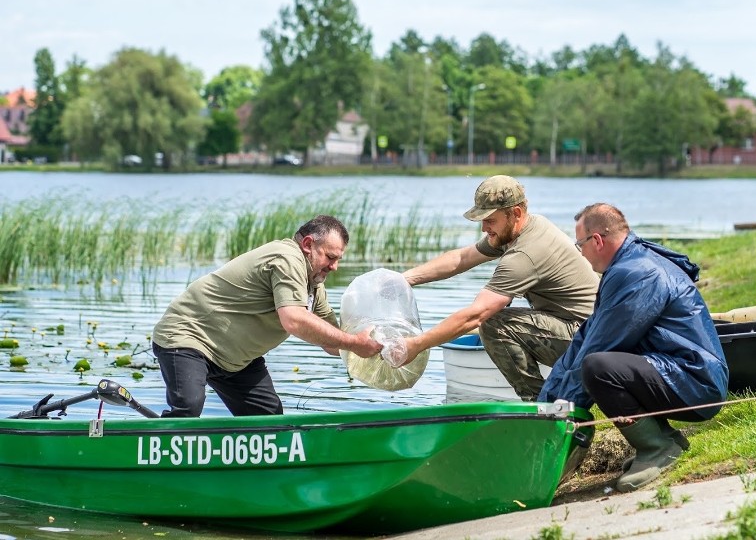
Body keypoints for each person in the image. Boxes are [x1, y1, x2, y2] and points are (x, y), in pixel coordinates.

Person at [539, 203, 728, 493]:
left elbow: (596, 352)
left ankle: (657, 448)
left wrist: (563, 419)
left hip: (695, 381)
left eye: (580, 245)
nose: (581, 252)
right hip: (675, 370)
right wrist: (546, 406)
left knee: (599, 368)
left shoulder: (636, 273)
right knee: (594, 362)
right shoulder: (626, 265)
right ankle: (666, 436)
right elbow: (584, 340)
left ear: (597, 241)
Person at [151, 215, 382, 417]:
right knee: (188, 408)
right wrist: (354, 343)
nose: (335, 267)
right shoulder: (287, 258)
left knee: (268, 419)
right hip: (188, 337)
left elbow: (333, 343)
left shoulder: (313, 284)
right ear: (308, 244)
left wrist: (377, 346)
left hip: (236, 360)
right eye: (331, 257)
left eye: (339, 259)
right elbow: (293, 319)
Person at [399, 175, 599, 401]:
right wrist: (403, 279)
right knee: (486, 323)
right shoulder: (525, 227)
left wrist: (415, 345)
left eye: (490, 220)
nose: (484, 228)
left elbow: (475, 315)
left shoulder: (525, 254)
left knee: (493, 324)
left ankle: (541, 406)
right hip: (585, 331)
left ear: (515, 213)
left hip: (589, 342)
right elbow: (462, 258)